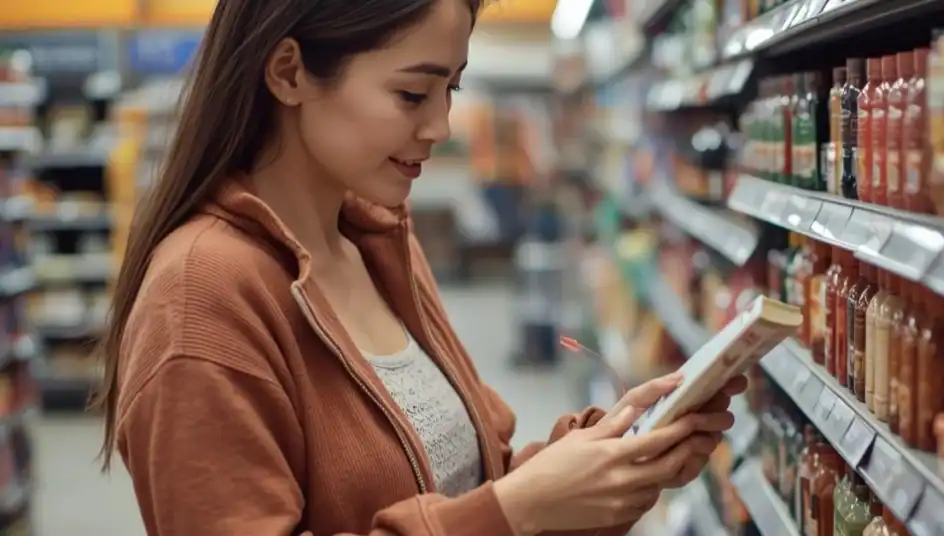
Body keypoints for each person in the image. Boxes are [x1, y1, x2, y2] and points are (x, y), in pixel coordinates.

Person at [90, 0, 746, 535]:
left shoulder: (375, 243)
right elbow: (491, 513)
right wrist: (514, 512)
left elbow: (470, 485)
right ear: (288, 73)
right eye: (412, 94)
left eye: (450, 89)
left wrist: (606, 459)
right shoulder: (200, 298)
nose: (443, 125)